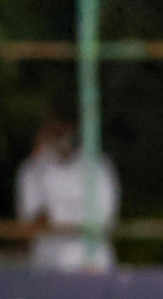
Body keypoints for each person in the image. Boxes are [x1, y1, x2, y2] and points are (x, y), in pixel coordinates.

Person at [15, 112, 121, 271]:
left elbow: (104, 216)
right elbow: (31, 218)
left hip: (92, 260)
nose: (63, 135)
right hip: (48, 261)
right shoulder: (33, 169)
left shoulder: (99, 167)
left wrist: (56, 217)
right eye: (57, 130)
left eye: (67, 129)